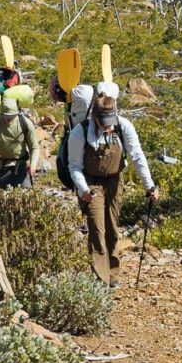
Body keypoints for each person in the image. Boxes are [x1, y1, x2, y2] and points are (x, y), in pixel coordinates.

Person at [65, 91, 158, 285]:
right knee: (97, 229)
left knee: (112, 228)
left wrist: (149, 185)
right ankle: (100, 278)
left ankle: (113, 273)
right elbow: (74, 166)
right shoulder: (79, 132)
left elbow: (136, 155)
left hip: (115, 179)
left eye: (110, 121)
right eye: (103, 122)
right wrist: (84, 190)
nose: (107, 126)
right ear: (95, 118)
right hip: (91, 182)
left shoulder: (124, 127)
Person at [0, 97, 39, 190]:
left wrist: (33, 165)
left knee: (25, 197)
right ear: (0, 113)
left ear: (17, 113)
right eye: (5, 116)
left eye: (12, 116)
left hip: (20, 168)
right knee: (0, 201)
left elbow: (34, 147)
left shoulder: (25, 124)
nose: (8, 119)